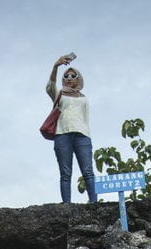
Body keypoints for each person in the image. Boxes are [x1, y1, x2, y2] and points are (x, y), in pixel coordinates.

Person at [47, 53, 97, 204]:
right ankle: (66, 205)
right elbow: (50, 86)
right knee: (65, 173)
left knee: (88, 171)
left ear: (78, 78)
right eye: (66, 76)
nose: (69, 78)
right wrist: (56, 66)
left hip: (82, 135)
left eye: (72, 75)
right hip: (63, 134)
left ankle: (94, 202)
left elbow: (85, 118)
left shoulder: (84, 98)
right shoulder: (59, 94)